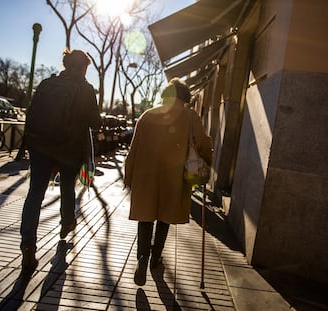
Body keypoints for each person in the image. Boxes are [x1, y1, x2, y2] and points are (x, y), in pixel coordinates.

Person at [124, 77, 213, 286]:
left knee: (145, 218)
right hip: (174, 178)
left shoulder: (147, 115)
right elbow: (202, 145)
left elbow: (133, 149)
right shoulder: (191, 116)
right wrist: (207, 161)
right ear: (184, 97)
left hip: (145, 176)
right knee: (164, 217)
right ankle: (156, 257)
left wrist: (129, 177)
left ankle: (142, 258)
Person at [20, 49, 102, 274]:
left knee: (34, 194)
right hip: (69, 148)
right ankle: (67, 222)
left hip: (40, 146)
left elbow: (32, 114)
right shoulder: (86, 89)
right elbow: (95, 123)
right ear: (84, 67)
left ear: (65, 64)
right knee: (67, 187)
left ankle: (27, 244)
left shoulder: (47, 83)